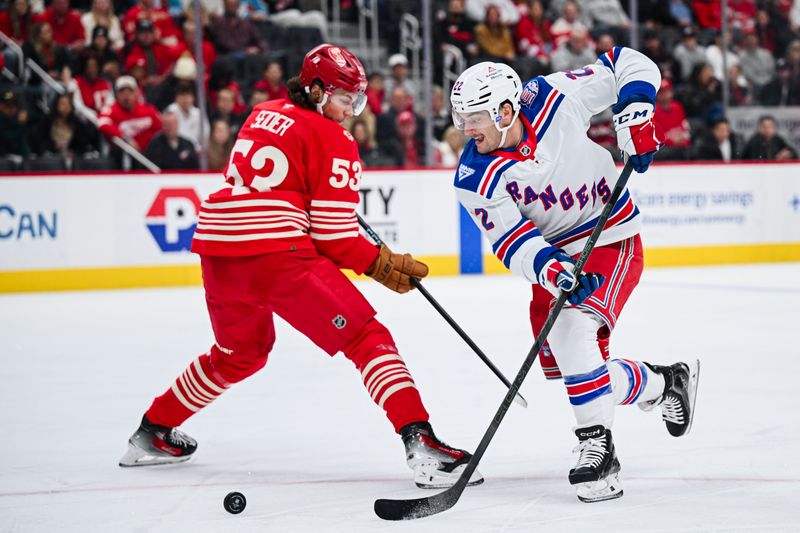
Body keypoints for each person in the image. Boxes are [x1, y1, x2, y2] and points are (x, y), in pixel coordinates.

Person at [119, 44, 484, 490]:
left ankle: (152, 430)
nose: (351, 111)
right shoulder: (335, 139)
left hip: (218, 252)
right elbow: (334, 237)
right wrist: (381, 264)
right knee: (366, 337)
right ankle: (422, 445)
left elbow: (284, 188)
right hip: (275, 256)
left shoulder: (262, 112)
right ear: (315, 90)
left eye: (356, 100)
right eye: (345, 99)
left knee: (240, 355)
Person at [448, 47, 699, 503]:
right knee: (578, 367)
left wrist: (637, 108)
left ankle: (598, 451)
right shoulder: (474, 175)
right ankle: (664, 382)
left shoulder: (553, 96)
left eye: (476, 117)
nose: (467, 129)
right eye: (460, 117)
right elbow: (512, 241)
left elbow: (629, 62)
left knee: (571, 330)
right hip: (555, 256)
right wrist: (552, 269)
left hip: (609, 234)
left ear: (507, 110)